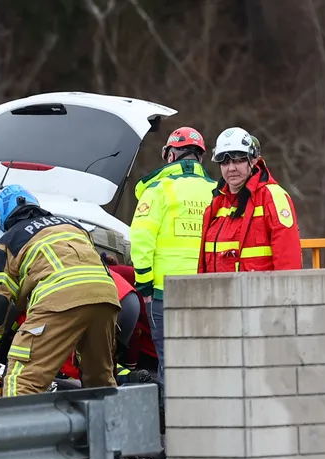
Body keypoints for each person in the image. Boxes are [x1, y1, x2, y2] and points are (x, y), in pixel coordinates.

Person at [0, 185, 121, 396]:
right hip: (107, 298)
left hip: (59, 297)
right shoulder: (74, 227)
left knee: (22, 380)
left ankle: (21, 430)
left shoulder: (9, 241)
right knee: (99, 380)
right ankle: (113, 427)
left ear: (3, 218)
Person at [129, 126, 214, 400]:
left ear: (170, 155)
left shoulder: (158, 189)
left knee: (170, 361)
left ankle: (177, 428)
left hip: (164, 292)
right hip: (208, 289)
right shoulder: (216, 190)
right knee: (206, 358)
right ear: (199, 157)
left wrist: (143, 282)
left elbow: (142, 238)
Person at [199, 127, 302, 274]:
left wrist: (286, 295)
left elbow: (288, 259)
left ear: (253, 160)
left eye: (238, 161)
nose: (231, 168)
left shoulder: (273, 197)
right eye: (225, 163)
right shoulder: (217, 200)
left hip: (260, 295)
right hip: (218, 293)